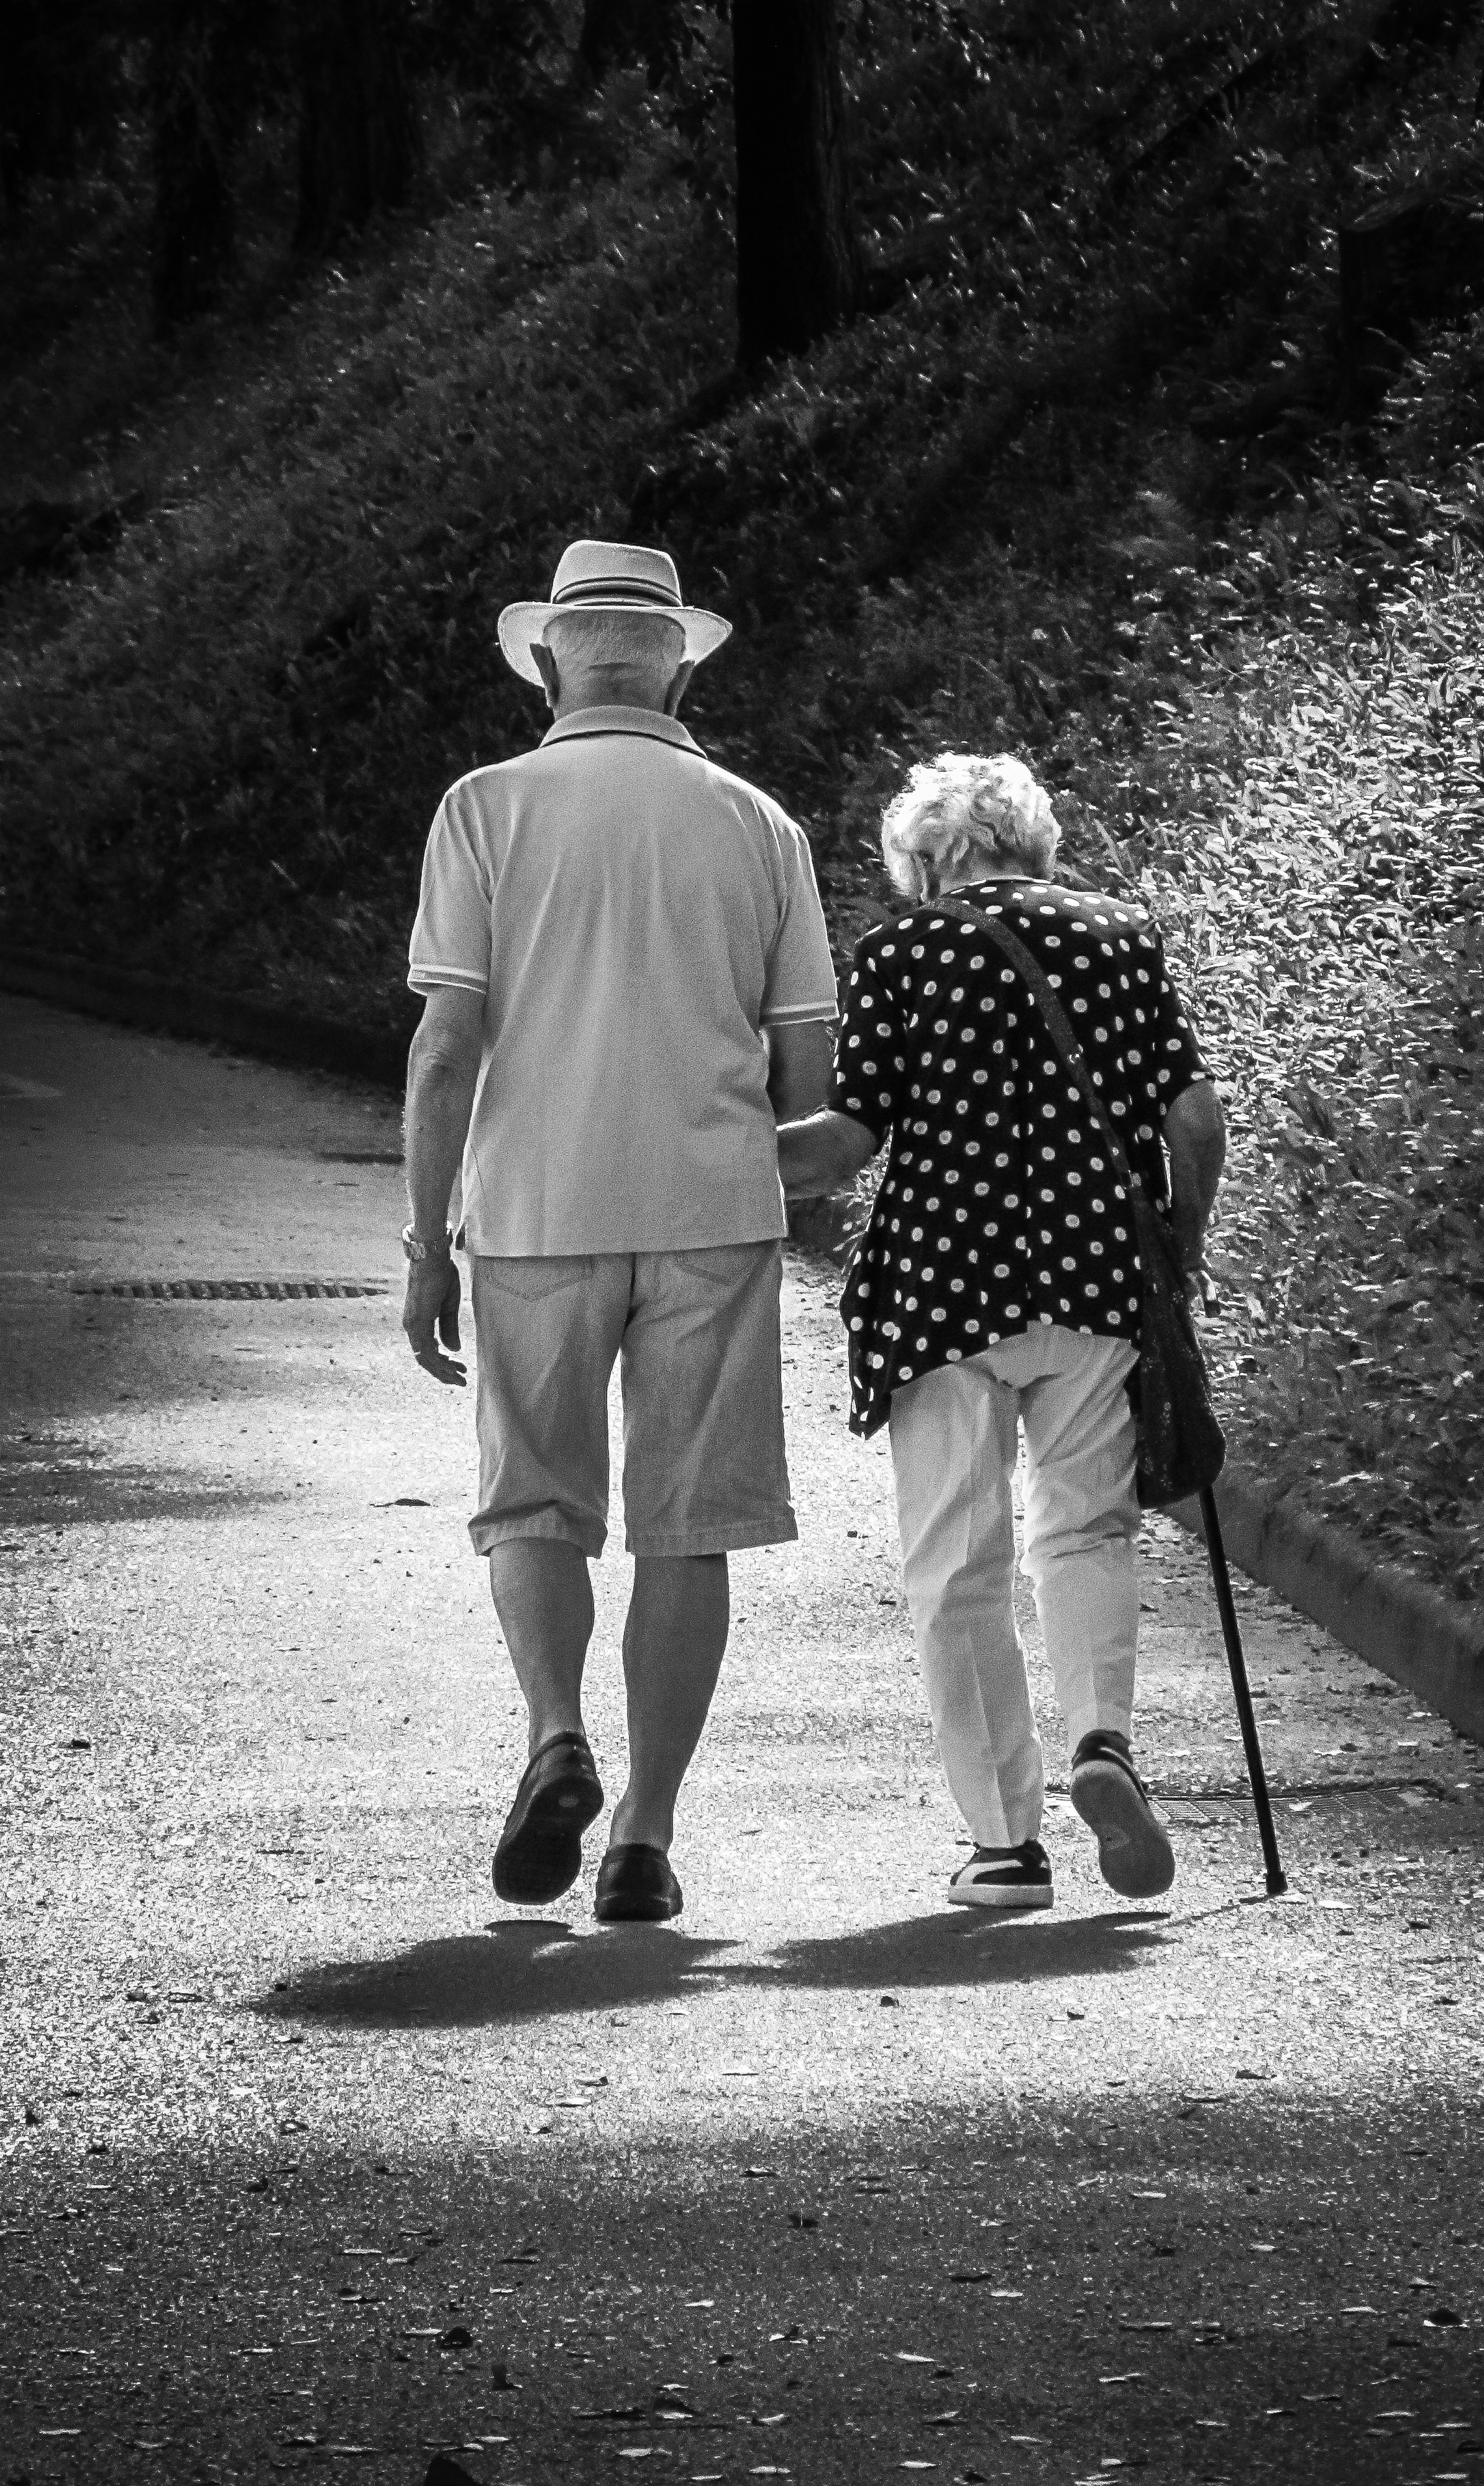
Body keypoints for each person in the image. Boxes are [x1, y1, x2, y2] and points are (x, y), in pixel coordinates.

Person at [401, 540, 838, 1922]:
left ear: (547, 658)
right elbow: (811, 1071)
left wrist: (427, 1241)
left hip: (533, 1210)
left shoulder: (485, 808)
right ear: (680, 664)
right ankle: (644, 1836)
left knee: (532, 1499)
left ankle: (553, 1735)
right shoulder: (760, 825)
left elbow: (445, 1042)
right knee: (684, 1524)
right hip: (713, 1212)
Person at [777, 753, 1224, 1912]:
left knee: (955, 1565)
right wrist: (1181, 1242)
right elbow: (1193, 1116)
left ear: (927, 857)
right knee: (1084, 1532)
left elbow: (845, 1143)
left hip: (942, 1293)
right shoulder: (1122, 936)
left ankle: (1005, 1847)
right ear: (1033, 844)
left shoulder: (903, 952)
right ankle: (1102, 1744)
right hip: (1094, 1282)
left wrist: (706, 1143)